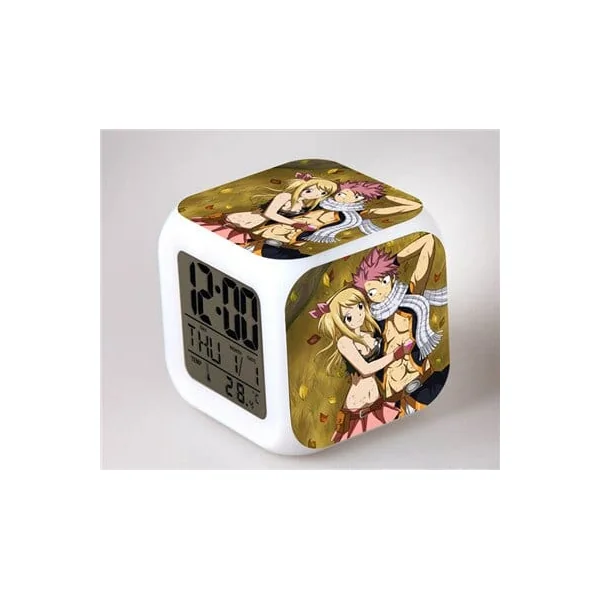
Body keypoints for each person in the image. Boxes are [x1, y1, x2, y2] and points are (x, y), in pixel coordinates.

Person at [352, 237, 449, 416]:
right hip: (393, 397)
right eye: (372, 291)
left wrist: (394, 261)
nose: (381, 291)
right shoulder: (372, 320)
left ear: (390, 277)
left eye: (383, 281)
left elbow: (428, 241)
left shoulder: (411, 299)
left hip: (422, 381)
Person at [310, 288, 414, 442]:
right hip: (357, 406)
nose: (358, 315)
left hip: (376, 400)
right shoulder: (344, 342)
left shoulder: (369, 334)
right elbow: (365, 369)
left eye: (359, 307)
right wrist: (396, 355)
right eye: (348, 316)